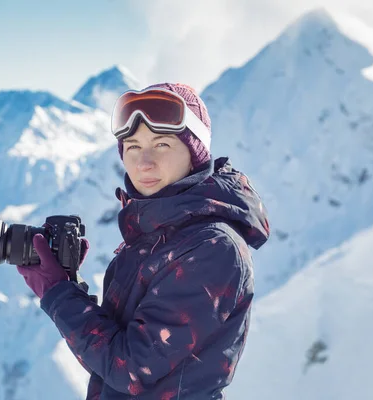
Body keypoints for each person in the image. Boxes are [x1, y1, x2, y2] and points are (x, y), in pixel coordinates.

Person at [17, 83, 270, 399]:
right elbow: (113, 354)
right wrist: (71, 285)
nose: (143, 163)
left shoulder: (212, 248)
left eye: (161, 145)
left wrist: (58, 294)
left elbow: (130, 369)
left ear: (195, 153)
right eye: (133, 146)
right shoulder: (158, 234)